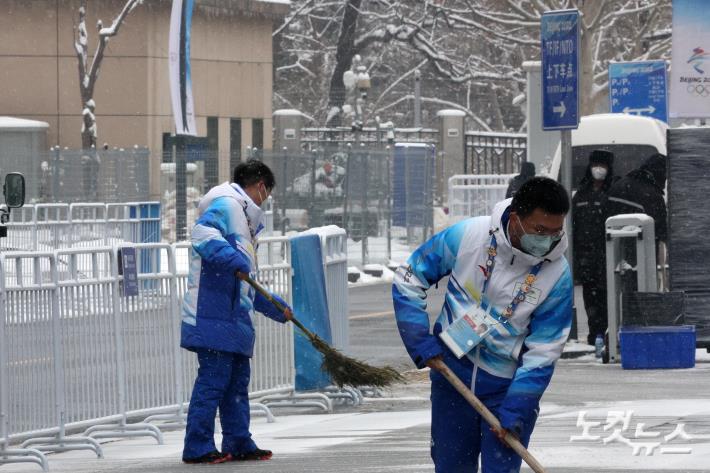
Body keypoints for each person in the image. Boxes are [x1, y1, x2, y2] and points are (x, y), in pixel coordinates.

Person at [393, 177, 573, 473]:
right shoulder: (470, 236)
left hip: (506, 390)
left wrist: (518, 407)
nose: (548, 240)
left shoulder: (557, 276)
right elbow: (409, 277)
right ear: (516, 219)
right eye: (540, 231)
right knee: (452, 467)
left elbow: (545, 349)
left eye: (556, 232)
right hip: (452, 376)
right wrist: (418, 338)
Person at [181, 159, 293, 464]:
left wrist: (276, 307)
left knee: (236, 385)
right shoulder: (227, 206)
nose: (266, 201)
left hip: (233, 319)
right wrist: (234, 260)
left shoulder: (245, 221)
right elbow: (202, 235)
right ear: (260, 186)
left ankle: (238, 441)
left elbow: (246, 284)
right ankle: (198, 445)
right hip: (213, 313)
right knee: (214, 381)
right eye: (267, 193)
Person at [572, 149, 615, 346]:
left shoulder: (612, 192)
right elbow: (573, 227)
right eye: (596, 165)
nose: (599, 170)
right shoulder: (581, 194)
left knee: (607, 298)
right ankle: (593, 334)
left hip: (607, 255)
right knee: (590, 299)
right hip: (586, 258)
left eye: (603, 166)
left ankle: (607, 333)